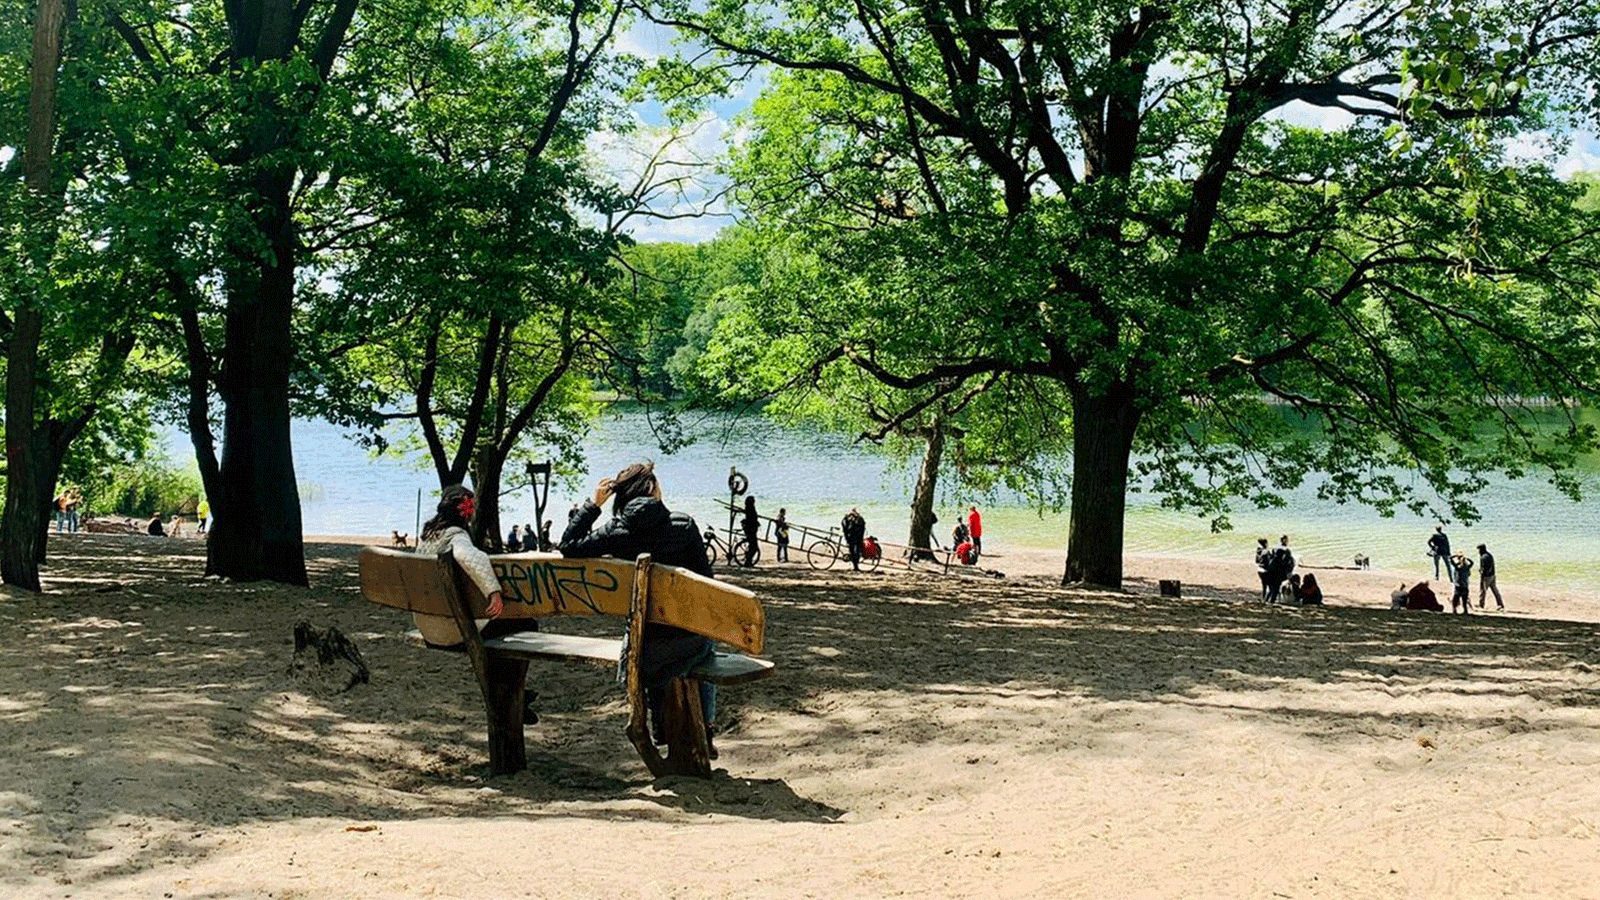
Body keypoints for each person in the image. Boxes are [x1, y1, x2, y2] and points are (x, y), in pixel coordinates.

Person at [559, 462, 722, 756]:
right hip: (686, 639)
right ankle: (706, 727)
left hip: (642, 641)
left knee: (648, 647)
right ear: (651, 489)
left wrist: (593, 504)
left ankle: (660, 724)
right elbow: (707, 584)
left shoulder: (616, 531)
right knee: (706, 642)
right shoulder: (683, 525)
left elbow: (568, 546)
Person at [414, 485, 539, 647]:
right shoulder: (455, 535)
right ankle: (497, 673)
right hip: (454, 631)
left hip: (427, 627)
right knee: (528, 624)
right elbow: (470, 556)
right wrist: (493, 591)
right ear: (465, 513)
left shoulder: (428, 537)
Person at [1264, 535, 1295, 604]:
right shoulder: (1287, 550)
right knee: (1276, 587)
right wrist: (1289, 571)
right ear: (1286, 541)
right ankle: (1272, 601)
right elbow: (1289, 562)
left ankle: (1267, 600)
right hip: (1280, 571)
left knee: (1272, 588)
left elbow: (1269, 557)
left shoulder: (1274, 548)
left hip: (1271, 569)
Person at [1477, 544, 1504, 610]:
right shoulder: (1489, 555)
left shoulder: (1483, 557)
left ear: (1481, 550)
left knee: (1483, 591)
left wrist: (1482, 574)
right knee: (1495, 590)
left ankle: (1481, 605)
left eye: (1479, 550)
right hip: (1492, 575)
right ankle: (1500, 604)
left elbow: (1484, 568)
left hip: (1486, 577)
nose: (1478, 552)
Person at [841, 507, 867, 572]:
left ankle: (855, 566)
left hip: (849, 537)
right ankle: (856, 567)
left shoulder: (847, 518)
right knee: (856, 552)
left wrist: (846, 535)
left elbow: (844, 526)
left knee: (852, 551)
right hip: (856, 538)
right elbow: (862, 529)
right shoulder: (859, 519)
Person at [741, 495, 760, 567]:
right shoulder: (751, 508)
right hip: (751, 530)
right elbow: (752, 519)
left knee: (752, 545)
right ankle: (748, 561)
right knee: (754, 546)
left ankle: (748, 560)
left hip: (750, 529)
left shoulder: (748, 508)